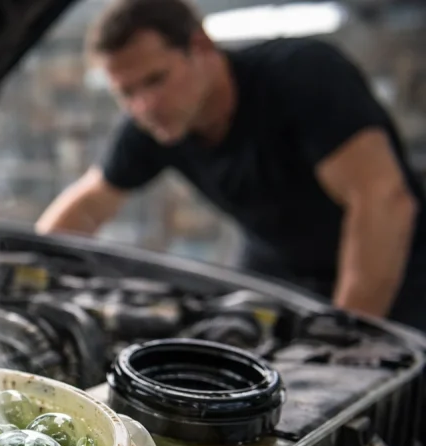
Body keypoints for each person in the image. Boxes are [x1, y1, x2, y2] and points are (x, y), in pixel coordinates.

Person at [36, 0, 426, 332]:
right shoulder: (154, 122)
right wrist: (27, 277)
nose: (144, 105)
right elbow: (88, 205)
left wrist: (344, 335)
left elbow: (384, 201)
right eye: (126, 92)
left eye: (156, 79)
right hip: (277, 275)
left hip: (392, 274)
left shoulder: (302, 75)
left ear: (201, 46)